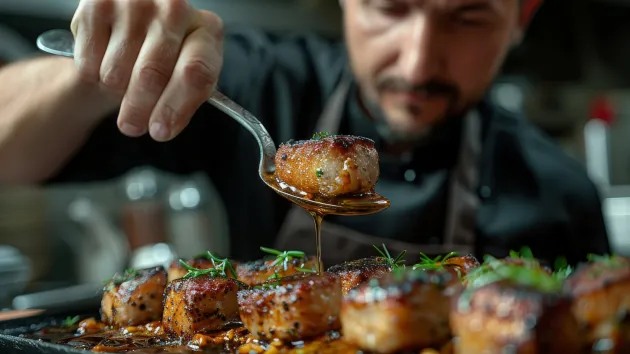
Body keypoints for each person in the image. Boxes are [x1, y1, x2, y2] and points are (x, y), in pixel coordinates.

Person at [0, 0, 610, 266]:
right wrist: (95, 76)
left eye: (469, 16)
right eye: (390, 8)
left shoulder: (561, 195)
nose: (419, 62)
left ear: (521, 17)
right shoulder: (257, 84)